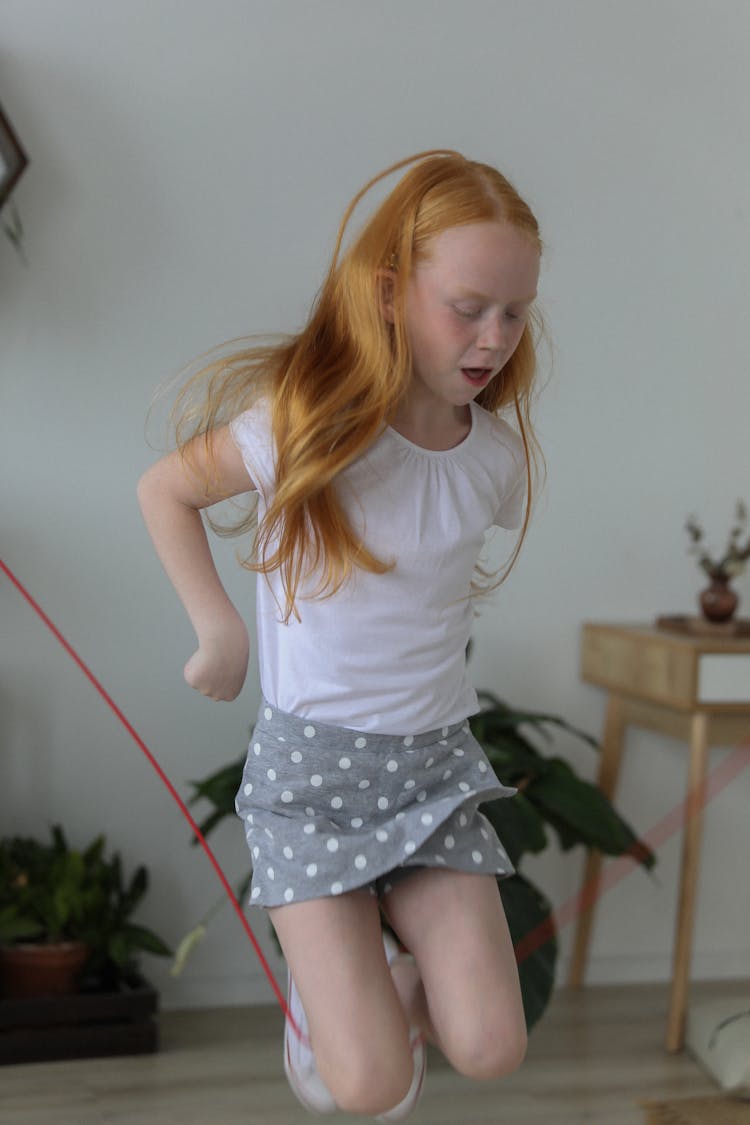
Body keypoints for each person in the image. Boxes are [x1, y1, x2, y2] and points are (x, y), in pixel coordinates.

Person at [138, 149, 544, 1120]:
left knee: (491, 1048)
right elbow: (167, 489)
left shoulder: (492, 461)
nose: (494, 337)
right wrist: (217, 630)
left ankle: (389, 986)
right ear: (392, 292)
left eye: (516, 311)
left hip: (434, 773)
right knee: (368, 1087)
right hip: (313, 787)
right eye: (470, 305)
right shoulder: (303, 427)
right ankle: (335, 1013)